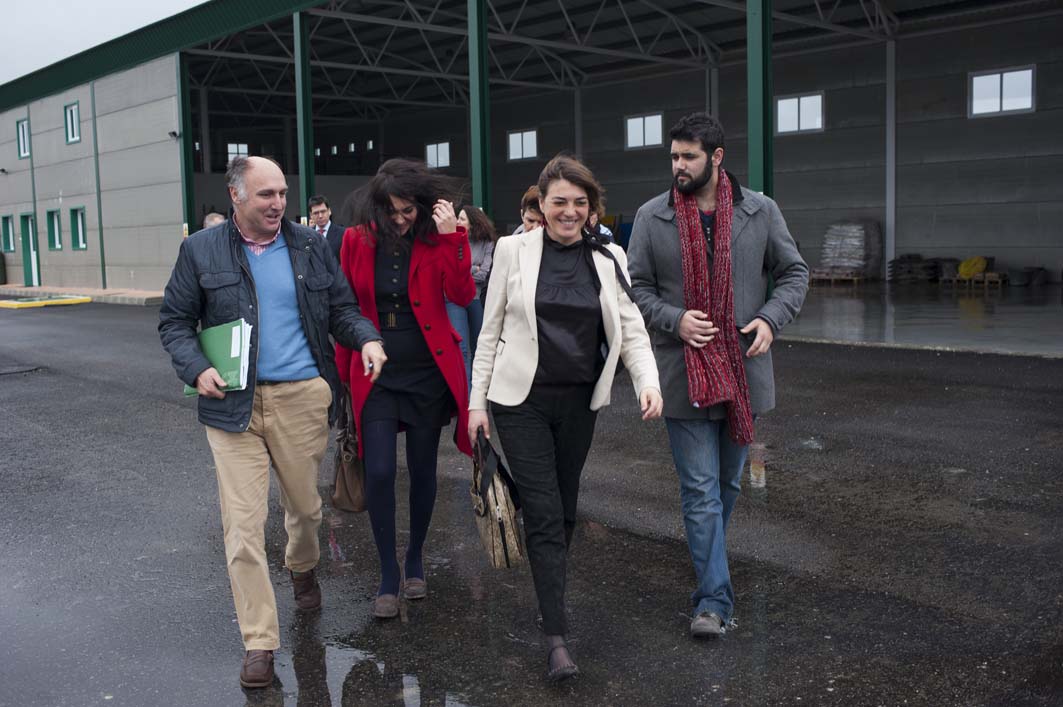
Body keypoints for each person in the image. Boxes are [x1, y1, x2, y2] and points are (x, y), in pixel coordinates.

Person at [158, 156, 386, 689]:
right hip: (231, 405)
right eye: (265, 195)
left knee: (305, 512)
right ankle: (259, 640)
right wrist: (197, 367)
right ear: (235, 196)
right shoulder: (199, 250)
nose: (278, 203)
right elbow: (173, 321)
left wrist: (367, 337)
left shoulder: (308, 244)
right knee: (242, 527)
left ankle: (302, 566)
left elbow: (341, 310)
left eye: (282, 193)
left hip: (302, 398)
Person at [468, 155, 663, 682]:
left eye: (580, 203)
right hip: (519, 400)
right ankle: (556, 636)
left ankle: (546, 582)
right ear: (543, 204)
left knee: (565, 508)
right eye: (560, 202)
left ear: (592, 207)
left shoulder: (608, 256)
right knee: (546, 510)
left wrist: (647, 382)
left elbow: (632, 327)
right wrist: (476, 404)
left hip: (579, 402)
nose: (570, 211)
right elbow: (489, 333)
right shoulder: (513, 250)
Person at [626, 112, 808, 639]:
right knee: (701, 490)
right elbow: (635, 288)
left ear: (717, 157)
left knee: (728, 482)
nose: (678, 166)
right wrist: (674, 319)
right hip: (682, 375)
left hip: (743, 370)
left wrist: (772, 319)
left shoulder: (760, 210)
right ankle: (713, 601)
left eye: (689, 156)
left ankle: (709, 561)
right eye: (674, 157)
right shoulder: (651, 216)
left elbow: (795, 272)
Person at [334, 159, 475, 619]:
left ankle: (414, 558)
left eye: (407, 211)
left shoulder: (441, 238)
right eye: (390, 211)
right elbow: (345, 307)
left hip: (427, 372)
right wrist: (342, 376)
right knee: (376, 471)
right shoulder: (356, 240)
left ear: (422, 205)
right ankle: (387, 572)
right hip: (375, 373)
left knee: (422, 470)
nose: (399, 219)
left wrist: (455, 236)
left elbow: (461, 294)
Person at [445, 205, 496, 387]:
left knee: (479, 347)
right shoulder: (455, 240)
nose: (458, 221)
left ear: (473, 223)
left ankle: (478, 392)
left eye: (462, 218)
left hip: (475, 298)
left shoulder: (487, 242)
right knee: (462, 349)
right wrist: (473, 268)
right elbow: (450, 272)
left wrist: (467, 270)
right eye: (457, 218)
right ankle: (465, 396)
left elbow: (484, 274)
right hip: (454, 298)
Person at [308, 195, 345, 261]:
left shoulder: (342, 233)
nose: (320, 216)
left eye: (323, 211)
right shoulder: (307, 235)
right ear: (311, 215)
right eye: (316, 213)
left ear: (329, 211)